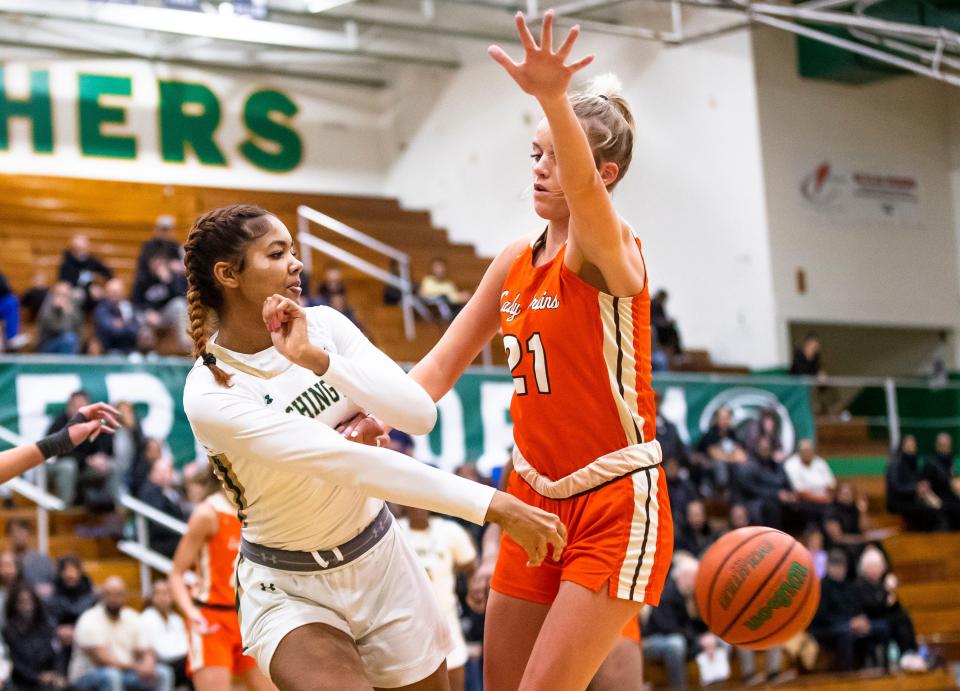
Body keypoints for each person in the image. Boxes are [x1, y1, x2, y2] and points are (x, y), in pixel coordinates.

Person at [396, 15, 673, 689]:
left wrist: (553, 96)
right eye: (536, 153)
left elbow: (582, 198)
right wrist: (376, 413)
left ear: (603, 175)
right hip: (531, 496)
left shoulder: (612, 249)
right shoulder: (515, 260)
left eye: (556, 155)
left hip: (613, 500)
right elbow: (437, 366)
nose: (541, 170)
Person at [181, 204, 564, 690]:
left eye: (294, 251)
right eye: (277, 254)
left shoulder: (324, 327)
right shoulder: (211, 392)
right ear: (228, 274)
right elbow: (347, 462)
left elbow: (417, 414)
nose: (296, 264)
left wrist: (321, 362)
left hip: (381, 558)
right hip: (290, 586)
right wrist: (495, 505)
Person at [169, 465, 273, 691]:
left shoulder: (255, 511)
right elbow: (176, 574)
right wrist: (190, 612)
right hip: (211, 617)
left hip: (248, 617)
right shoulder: (207, 513)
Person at [398, 505, 478, 691]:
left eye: (420, 500)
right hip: (406, 630)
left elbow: (471, 565)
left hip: (446, 625)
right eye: (411, 500)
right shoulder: (394, 529)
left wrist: (474, 590)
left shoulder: (449, 531)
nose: (417, 506)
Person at [69, 576, 173, 691]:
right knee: (111, 675)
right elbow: (102, 660)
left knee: (163, 673)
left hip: (126, 673)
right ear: (102, 596)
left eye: (118, 594)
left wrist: (149, 664)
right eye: (109, 594)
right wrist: (138, 667)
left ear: (125, 596)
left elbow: (146, 649)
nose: (114, 599)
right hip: (89, 675)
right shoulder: (89, 618)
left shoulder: (132, 616)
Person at [810, 550, 889, 671]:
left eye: (842, 566)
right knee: (846, 633)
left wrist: (862, 619)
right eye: (836, 566)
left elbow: (857, 607)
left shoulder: (848, 586)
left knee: (882, 627)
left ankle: (883, 668)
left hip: (849, 624)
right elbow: (822, 616)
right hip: (825, 628)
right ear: (828, 567)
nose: (839, 570)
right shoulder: (821, 587)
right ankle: (845, 674)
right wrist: (850, 623)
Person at [855, 546, 925, 671]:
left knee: (903, 617)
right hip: (871, 620)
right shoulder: (860, 585)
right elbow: (872, 608)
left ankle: (910, 652)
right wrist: (887, 592)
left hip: (885, 617)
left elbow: (894, 606)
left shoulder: (882, 584)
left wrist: (889, 594)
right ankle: (902, 655)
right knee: (893, 622)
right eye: (871, 566)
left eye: (877, 566)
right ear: (864, 568)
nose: (875, 570)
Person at [640, 556, 703, 690]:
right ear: (682, 577)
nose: (696, 582)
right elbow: (668, 628)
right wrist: (696, 640)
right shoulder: (666, 593)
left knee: (716, 640)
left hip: (673, 635)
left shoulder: (687, 594)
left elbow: (694, 624)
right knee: (676, 644)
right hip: (651, 640)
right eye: (693, 578)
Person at [3, 581, 66, 691]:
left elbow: (57, 653)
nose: (27, 606)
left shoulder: (47, 626)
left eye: (29, 601)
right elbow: (14, 662)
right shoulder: (8, 631)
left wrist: (58, 674)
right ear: (14, 605)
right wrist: (37, 677)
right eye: (21, 602)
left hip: (49, 678)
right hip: (21, 683)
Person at [47, 556, 99, 672]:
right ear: (60, 573)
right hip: (59, 640)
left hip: (84, 638)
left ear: (80, 572)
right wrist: (57, 630)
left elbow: (96, 622)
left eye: (74, 570)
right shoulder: (51, 597)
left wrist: (77, 631)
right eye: (66, 570)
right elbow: (48, 620)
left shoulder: (92, 598)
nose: (70, 575)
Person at [138, 581, 190, 690]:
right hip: (159, 664)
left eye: (167, 593)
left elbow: (185, 645)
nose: (164, 597)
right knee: (190, 665)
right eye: (160, 593)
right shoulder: (146, 618)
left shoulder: (176, 619)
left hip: (180, 663)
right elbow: (160, 652)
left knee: (195, 665)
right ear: (152, 597)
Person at [886, 435, 945, 531]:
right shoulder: (896, 464)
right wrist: (916, 488)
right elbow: (896, 487)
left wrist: (922, 486)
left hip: (911, 499)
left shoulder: (913, 463)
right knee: (928, 511)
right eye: (909, 445)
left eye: (913, 445)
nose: (912, 447)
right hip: (898, 502)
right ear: (902, 446)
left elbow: (916, 481)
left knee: (940, 508)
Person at [133, 255, 190, 354]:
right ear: (149, 262)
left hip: (164, 314)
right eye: (155, 261)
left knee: (179, 304)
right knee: (139, 317)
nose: (158, 265)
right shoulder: (143, 278)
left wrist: (168, 280)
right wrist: (147, 312)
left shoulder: (172, 277)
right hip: (148, 316)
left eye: (161, 261)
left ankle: (186, 345)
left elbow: (181, 295)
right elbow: (135, 302)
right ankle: (144, 352)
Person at [136, 459, 187, 559]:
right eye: (160, 472)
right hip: (160, 541)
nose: (164, 476)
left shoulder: (174, 491)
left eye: (166, 471)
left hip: (174, 536)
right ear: (151, 474)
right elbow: (157, 523)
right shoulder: (148, 492)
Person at [695, 406, 748, 492]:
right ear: (716, 419)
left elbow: (741, 455)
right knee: (720, 466)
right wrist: (733, 457)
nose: (724, 421)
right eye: (721, 418)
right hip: (708, 468)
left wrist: (732, 456)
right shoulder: (710, 434)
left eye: (727, 418)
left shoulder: (733, 433)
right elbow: (715, 455)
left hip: (728, 466)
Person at [57, 234, 112, 309]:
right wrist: (88, 289)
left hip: (90, 295)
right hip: (73, 294)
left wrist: (100, 288)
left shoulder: (92, 260)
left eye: (83, 249)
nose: (81, 252)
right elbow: (64, 283)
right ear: (72, 249)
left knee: (107, 297)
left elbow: (109, 273)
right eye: (77, 249)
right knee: (77, 295)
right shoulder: (66, 263)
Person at [5, 519, 55, 597]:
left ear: (29, 534)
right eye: (14, 532)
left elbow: (54, 585)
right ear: (9, 536)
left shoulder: (43, 560)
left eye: (22, 532)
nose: (18, 536)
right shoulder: (4, 562)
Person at [134, 215, 182, 294]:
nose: (166, 233)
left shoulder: (175, 247)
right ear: (157, 229)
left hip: (171, 287)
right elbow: (143, 268)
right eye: (164, 230)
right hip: (150, 285)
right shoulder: (148, 246)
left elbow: (179, 267)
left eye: (169, 230)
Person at [93, 278, 140, 355]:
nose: (115, 294)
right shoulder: (101, 308)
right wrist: (126, 324)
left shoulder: (128, 306)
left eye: (118, 292)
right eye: (113, 292)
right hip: (109, 351)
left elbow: (135, 328)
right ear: (107, 293)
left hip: (130, 350)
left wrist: (120, 324)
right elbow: (110, 330)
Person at [923, 432, 960, 529]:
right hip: (939, 500)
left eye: (947, 445)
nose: (945, 447)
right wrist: (933, 500)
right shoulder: (931, 463)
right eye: (943, 445)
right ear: (937, 446)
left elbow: (954, 481)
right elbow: (924, 486)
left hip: (951, 499)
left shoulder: (950, 460)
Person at [36, 282, 83, 354]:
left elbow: (78, 329)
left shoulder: (73, 306)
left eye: (65, 295)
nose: (61, 298)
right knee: (69, 339)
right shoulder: (47, 307)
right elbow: (57, 329)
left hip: (69, 344)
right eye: (58, 294)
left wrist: (68, 313)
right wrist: (63, 312)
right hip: (47, 344)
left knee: (71, 339)